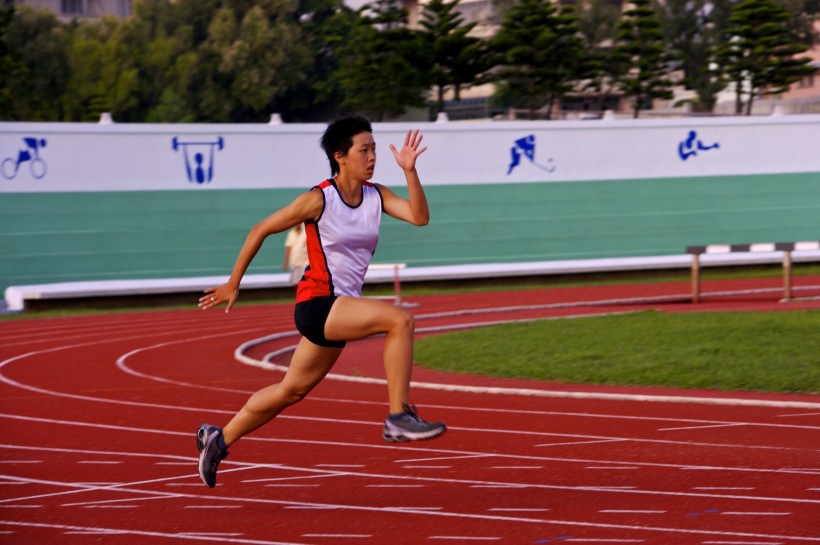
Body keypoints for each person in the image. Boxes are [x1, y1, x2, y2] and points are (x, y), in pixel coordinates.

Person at [195, 113, 446, 488]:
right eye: (365, 150)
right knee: (400, 321)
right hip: (319, 304)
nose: (373, 157)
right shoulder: (318, 199)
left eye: (374, 149)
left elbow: (420, 217)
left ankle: (219, 438)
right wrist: (234, 283)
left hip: (341, 309)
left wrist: (410, 171)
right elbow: (260, 229)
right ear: (339, 156)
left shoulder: (378, 196)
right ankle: (398, 416)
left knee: (290, 391)